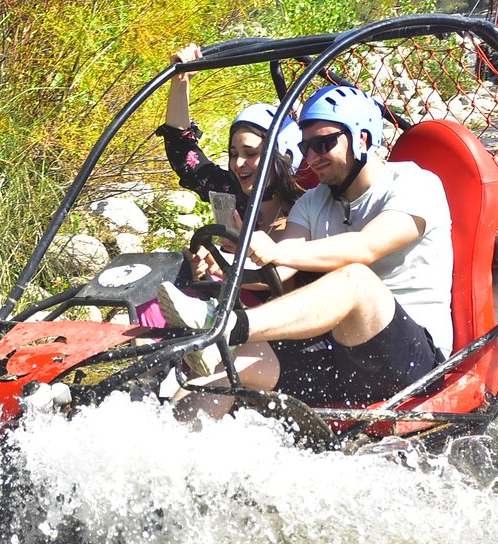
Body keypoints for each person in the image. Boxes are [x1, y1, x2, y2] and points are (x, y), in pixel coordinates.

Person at [156, 85, 453, 415]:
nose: (311, 158)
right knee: (222, 375)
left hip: (415, 363)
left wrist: (276, 252)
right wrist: (223, 266)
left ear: (363, 139)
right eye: (306, 147)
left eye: (323, 144)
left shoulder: (415, 184)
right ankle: (163, 445)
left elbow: (365, 247)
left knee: (355, 277)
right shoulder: (315, 201)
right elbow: (278, 272)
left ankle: (225, 326)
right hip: (339, 356)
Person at [155, 43, 305, 242]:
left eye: (251, 153)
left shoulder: (308, 208)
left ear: (285, 156)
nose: (238, 163)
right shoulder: (233, 194)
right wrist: (181, 81)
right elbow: (184, 154)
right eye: (234, 154)